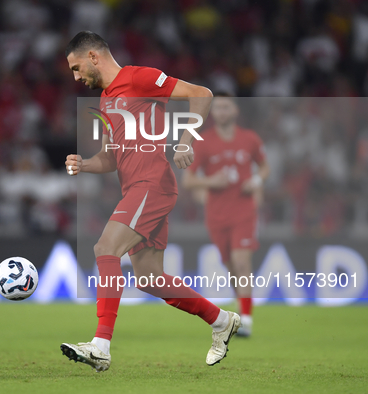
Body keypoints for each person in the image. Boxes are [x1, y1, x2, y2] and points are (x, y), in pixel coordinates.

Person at [61, 31, 241, 372]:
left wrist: (187, 140)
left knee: (105, 249)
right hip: (136, 189)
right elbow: (110, 159)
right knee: (149, 278)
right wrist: (84, 164)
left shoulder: (139, 77)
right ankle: (220, 321)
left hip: (152, 184)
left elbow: (202, 94)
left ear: (93, 57)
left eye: (76, 67)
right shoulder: (105, 99)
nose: (75, 76)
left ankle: (100, 345)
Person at [183, 93, 270, 337]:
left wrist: (255, 180)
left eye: (226, 107)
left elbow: (265, 167)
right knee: (231, 265)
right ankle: (241, 307)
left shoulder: (249, 139)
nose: (221, 111)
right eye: (217, 107)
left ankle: (247, 320)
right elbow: (188, 180)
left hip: (244, 211)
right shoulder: (204, 142)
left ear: (235, 111)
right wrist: (212, 181)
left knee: (242, 262)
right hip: (217, 215)